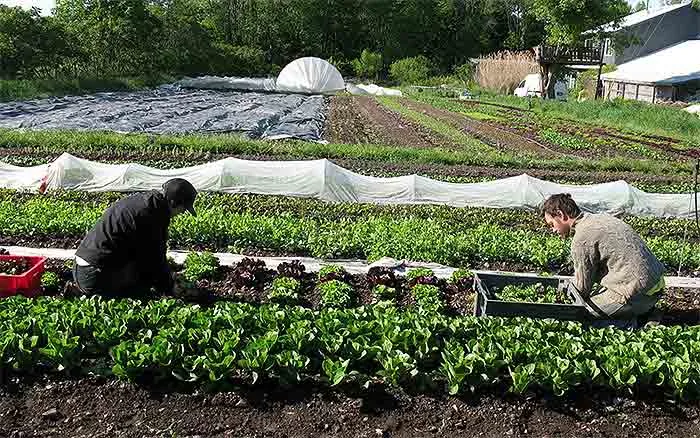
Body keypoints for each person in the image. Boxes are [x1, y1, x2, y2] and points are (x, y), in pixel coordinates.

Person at [541, 193, 665, 320]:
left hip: (637, 294)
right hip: (655, 287)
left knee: (581, 314)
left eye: (552, 224)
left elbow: (582, 288)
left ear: (561, 215)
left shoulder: (581, 238)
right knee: (596, 296)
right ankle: (645, 310)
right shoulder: (599, 219)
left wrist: (561, 301)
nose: (553, 230)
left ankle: (638, 320)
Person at [71, 178, 198, 298]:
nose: (182, 213)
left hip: (83, 267)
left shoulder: (145, 202)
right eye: (183, 208)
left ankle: (86, 290)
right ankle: (92, 292)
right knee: (143, 288)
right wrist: (170, 288)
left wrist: (167, 278)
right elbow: (154, 259)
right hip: (93, 275)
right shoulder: (152, 215)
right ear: (174, 203)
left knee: (144, 273)